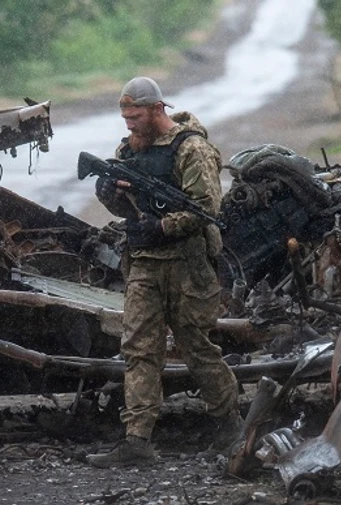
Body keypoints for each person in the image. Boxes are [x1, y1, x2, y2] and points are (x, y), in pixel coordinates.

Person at [86, 76, 242, 468]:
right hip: (144, 264)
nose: (129, 124)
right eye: (125, 117)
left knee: (196, 347)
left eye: (135, 117)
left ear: (157, 110)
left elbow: (206, 208)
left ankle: (231, 426)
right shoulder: (128, 150)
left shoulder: (191, 148)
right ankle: (137, 440)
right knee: (139, 349)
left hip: (188, 264)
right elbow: (126, 207)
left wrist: (160, 227)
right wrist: (109, 193)